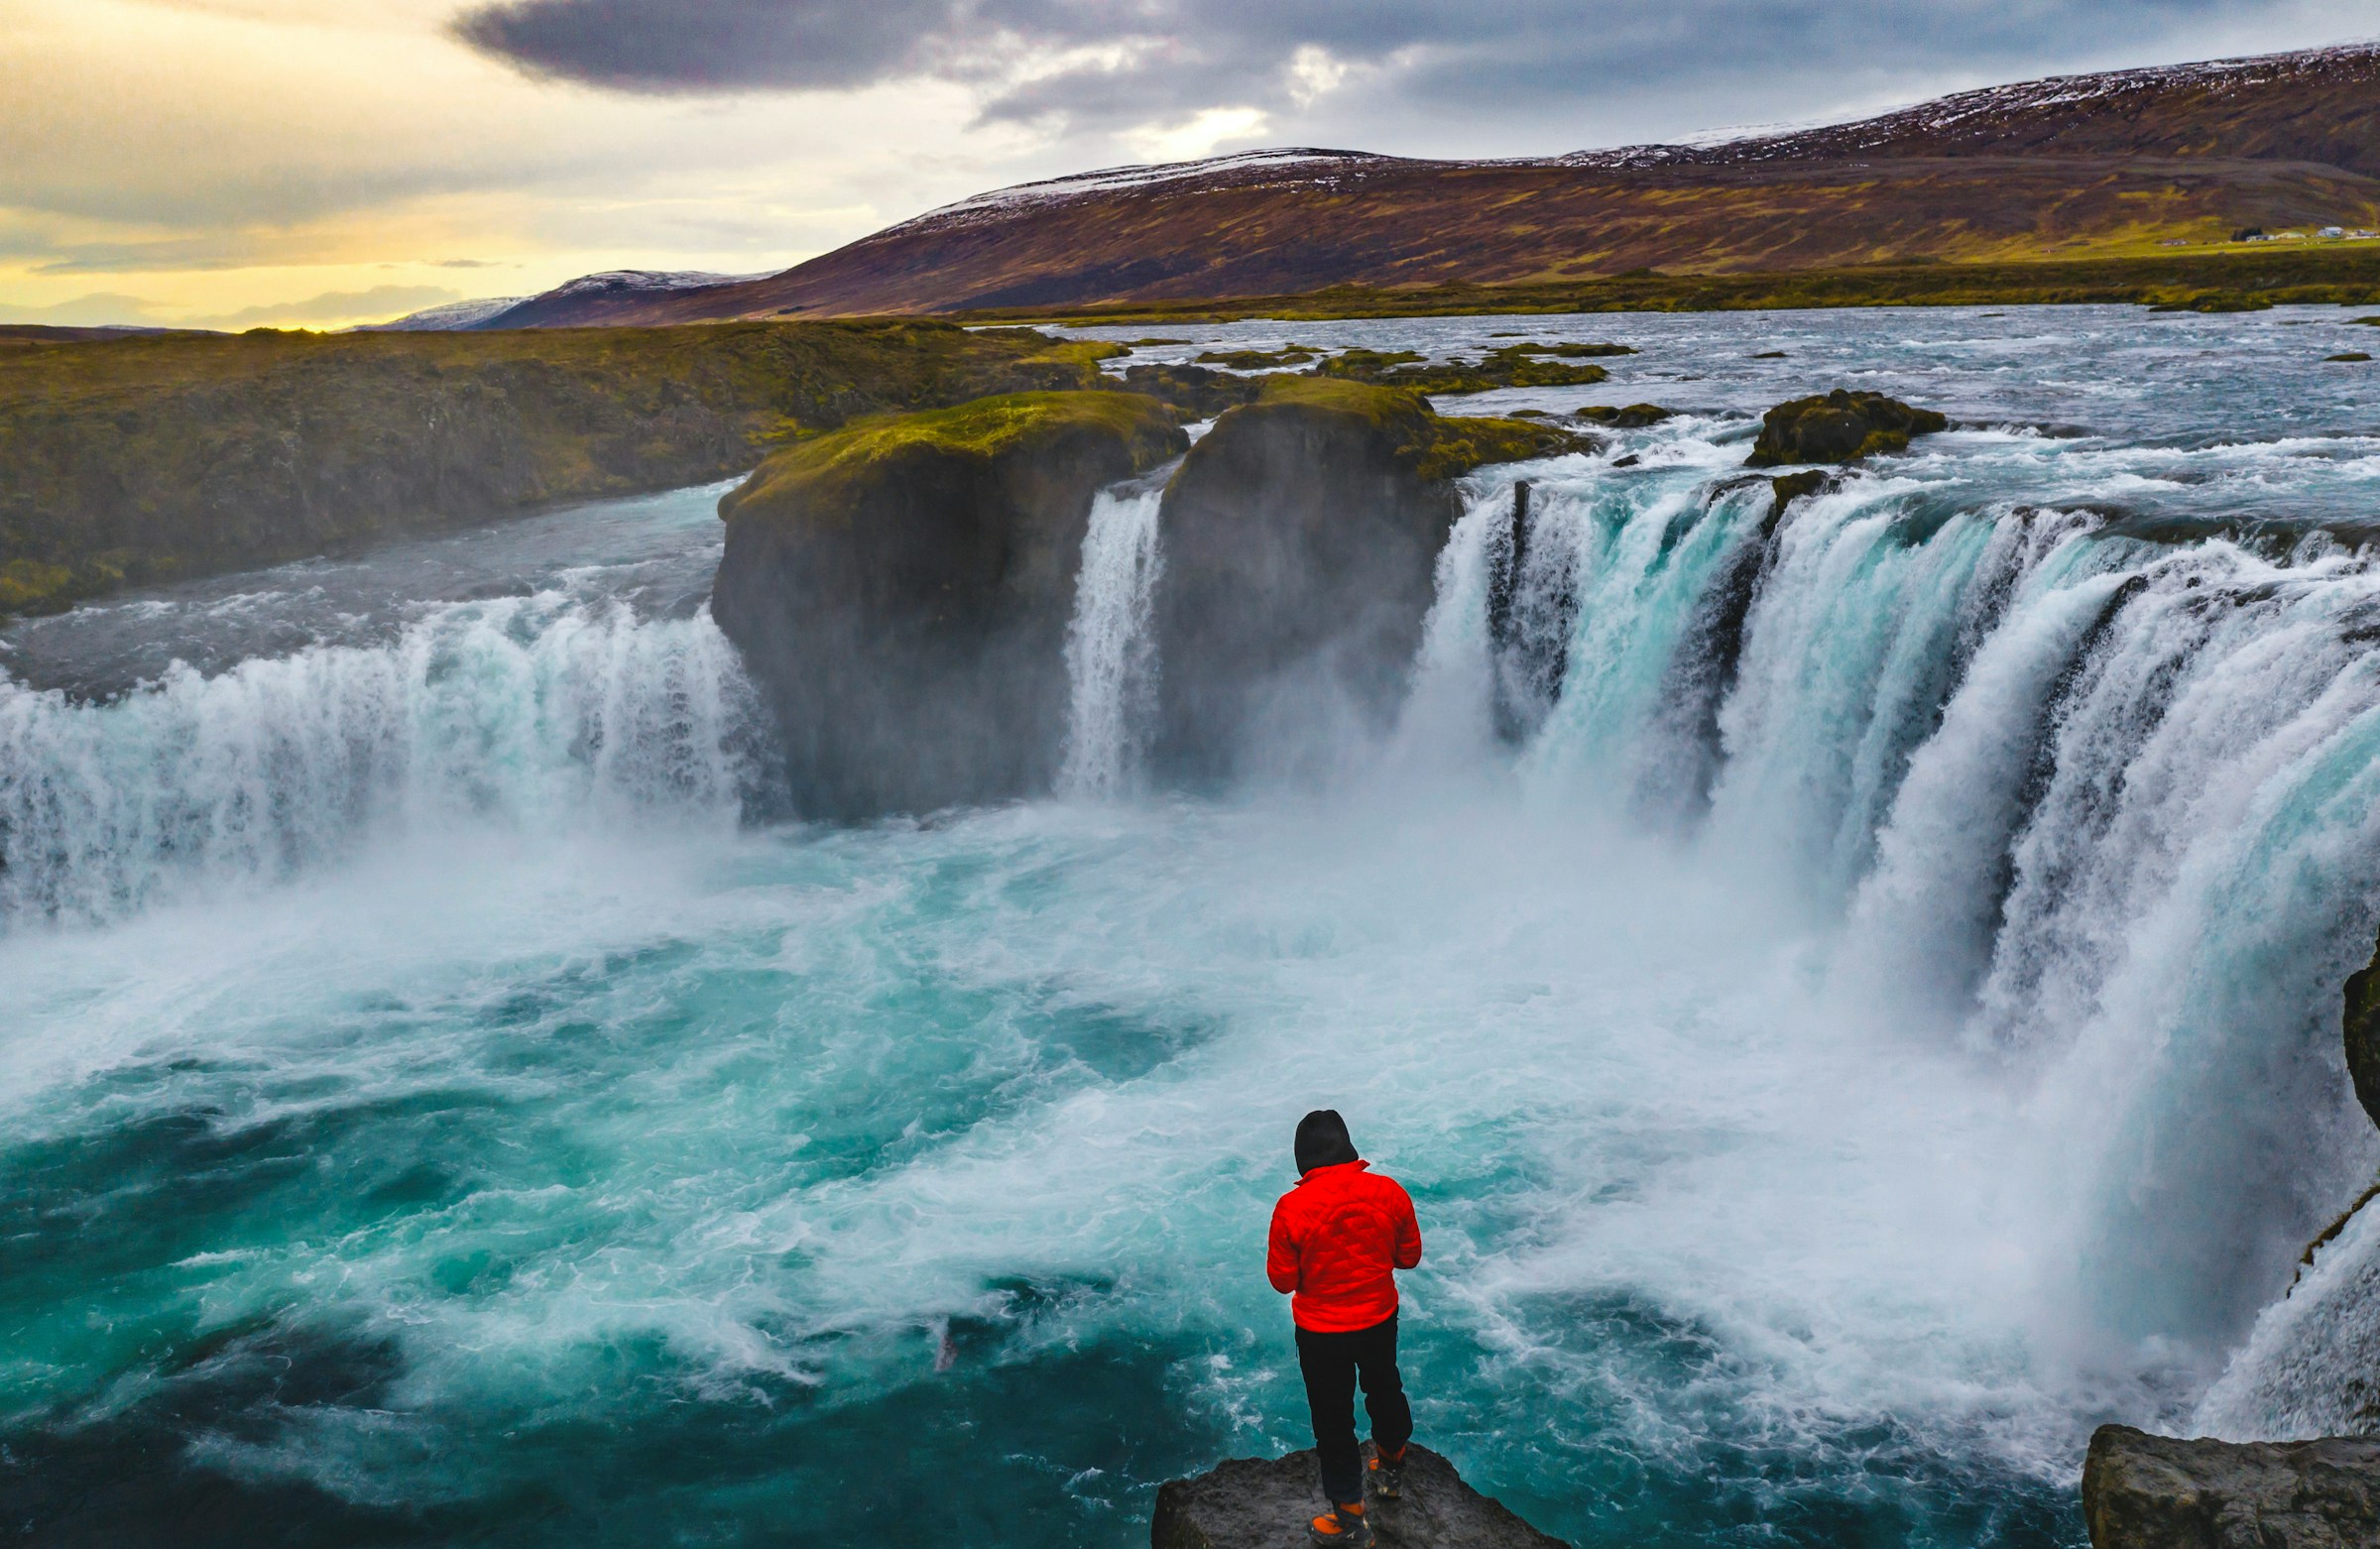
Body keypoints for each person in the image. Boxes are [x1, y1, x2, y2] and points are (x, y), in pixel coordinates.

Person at [1266, 1109, 1423, 1548]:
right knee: (1384, 1387)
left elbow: (1283, 1282)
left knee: (1334, 1422)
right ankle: (1391, 1465)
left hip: (1321, 1333)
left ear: (1303, 1161)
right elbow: (1408, 1257)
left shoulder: (1291, 1208)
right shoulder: (1389, 1192)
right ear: (1348, 1147)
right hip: (1378, 1317)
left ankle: (1352, 1521)